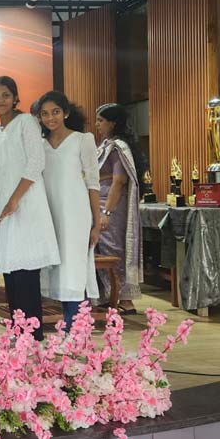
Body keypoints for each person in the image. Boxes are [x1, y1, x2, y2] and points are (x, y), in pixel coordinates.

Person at [0, 76, 59, 341]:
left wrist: (15, 199)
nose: (0, 100)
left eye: (5, 95)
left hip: (26, 203)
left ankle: (33, 335)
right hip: (5, 207)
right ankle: (18, 333)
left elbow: (36, 162)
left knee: (27, 274)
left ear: (15, 97)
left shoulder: (26, 122)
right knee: (11, 272)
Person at [33, 91, 100, 331]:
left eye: (55, 112)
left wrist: (97, 222)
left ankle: (77, 330)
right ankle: (68, 327)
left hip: (76, 215)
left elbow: (93, 183)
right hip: (49, 214)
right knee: (58, 271)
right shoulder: (39, 145)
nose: (50, 118)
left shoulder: (82, 140)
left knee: (75, 269)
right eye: (45, 114)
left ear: (66, 113)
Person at [93, 103, 145, 314]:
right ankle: (109, 295)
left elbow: (118, 180)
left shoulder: (117, 147)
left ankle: (125, 299)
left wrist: (107, 212)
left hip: (111, 204)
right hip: (99, 200)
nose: (97, 124)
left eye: (100, 120)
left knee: (113, 248)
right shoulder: (105, 145)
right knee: (101, 249)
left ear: (112, 123)